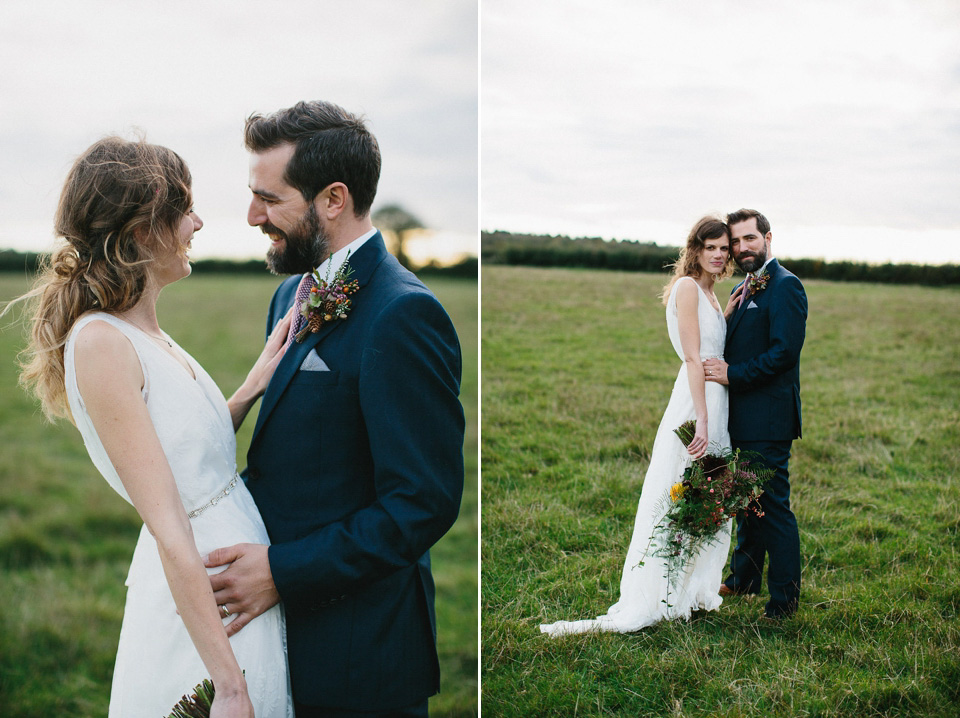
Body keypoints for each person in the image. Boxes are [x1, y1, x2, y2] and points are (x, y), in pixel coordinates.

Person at [202, 101, 465, 717]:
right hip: (277, 641)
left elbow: (421, 502)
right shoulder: (289, 293)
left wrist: (281, 572)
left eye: (269, 199)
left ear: (333, 199)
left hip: (359, 653)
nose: (251, 216)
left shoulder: (403, 315)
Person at [16, 137, 293, 716]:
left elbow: (189, 452)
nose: (197, 222)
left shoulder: (143, 332)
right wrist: (229, 686)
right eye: (184, 209)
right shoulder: (100, 343)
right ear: (143, 230)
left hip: (229, 578)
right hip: (202, 600)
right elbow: (170, 525)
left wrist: (256, 380)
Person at [540, 216, 738, 636]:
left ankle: (686, 589)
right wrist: (701, 419)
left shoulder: (711, 292)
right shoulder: (687, 288)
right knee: (681, 489)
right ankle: (659, 593)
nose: (719, 255)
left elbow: (713, 339)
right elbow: (691, 358)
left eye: (725, 248)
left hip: (718, 401)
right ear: (696, 249)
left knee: (707, 494)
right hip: (696, 400)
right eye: (711, 247)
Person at [704, 208, 806, 620]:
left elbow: (784, 354)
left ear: (767, 237)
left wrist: (731, 375)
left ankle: (784, 601)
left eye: (750, 239)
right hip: (743, 416)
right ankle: (744, 577)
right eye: (736, 242)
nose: (742, 248)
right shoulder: (746, 287)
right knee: (747, 501)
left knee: (773, 507)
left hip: (769, 418)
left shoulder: (785, 287)